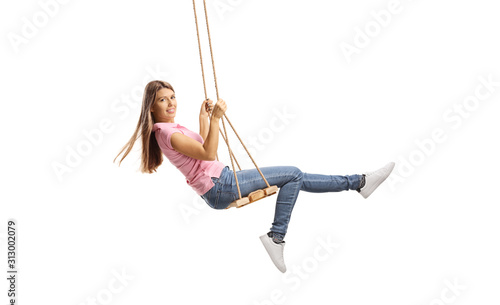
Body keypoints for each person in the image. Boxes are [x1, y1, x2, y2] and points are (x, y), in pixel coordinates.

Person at [114, 80, 395, 273]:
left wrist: (205, 117)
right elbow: (209, 154)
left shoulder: (168, 128)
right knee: (294, 174)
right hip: (219, 186)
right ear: (151, 107)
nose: (171, 102)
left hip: (220, 182)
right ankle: (277, 236)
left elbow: (201, 146)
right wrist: (215, 120)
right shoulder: (167, 133)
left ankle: (360, 183)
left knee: (295, 177)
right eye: (163, 100)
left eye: (172, 96)